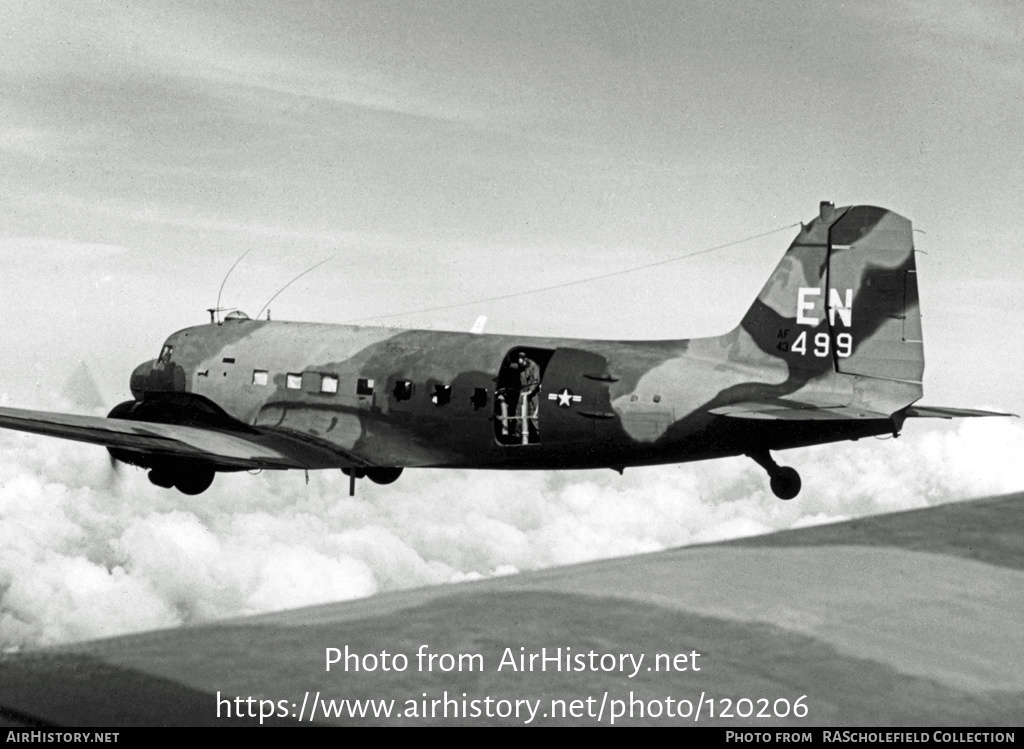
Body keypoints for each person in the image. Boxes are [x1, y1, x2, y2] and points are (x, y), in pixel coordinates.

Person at [514, 352, 540, 441]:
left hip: (533, 393)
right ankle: (518, 436)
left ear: (526, 359)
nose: (522, 365)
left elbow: (536, 380)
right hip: (524, 391)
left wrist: (530, 391)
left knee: (535, 415)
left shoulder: (534, 366)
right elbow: (514, 366)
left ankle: (539, 434)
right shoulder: (521, 366)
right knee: (519, 414)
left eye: (523, 363)